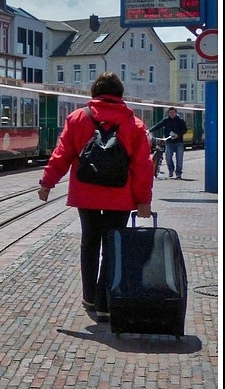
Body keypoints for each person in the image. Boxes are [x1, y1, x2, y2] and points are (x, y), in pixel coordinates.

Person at [37, 72, 154, 322]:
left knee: (89, 242)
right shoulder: (134, 124)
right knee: (113, 246)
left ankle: (89, 297)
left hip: (86, 193)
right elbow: (143, 166)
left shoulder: (78, 118)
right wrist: (143, 200)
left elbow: (62, 154)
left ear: (94, 93)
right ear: (120, 95)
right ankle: (105, 302)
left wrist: (47, 183)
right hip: (120, 197)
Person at [149, 107, 187, 180]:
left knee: (179, 159)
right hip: (169, 142)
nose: (171, 114)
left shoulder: (180, 120)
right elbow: (158, 125)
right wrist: (149, 130)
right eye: (170, 113)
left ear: (176, 113)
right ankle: (171, 170)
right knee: (168, 157)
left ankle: (178, 173)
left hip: (179, 142)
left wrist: (178, 134)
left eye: (173, 113)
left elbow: (185, 130)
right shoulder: (166, 120)